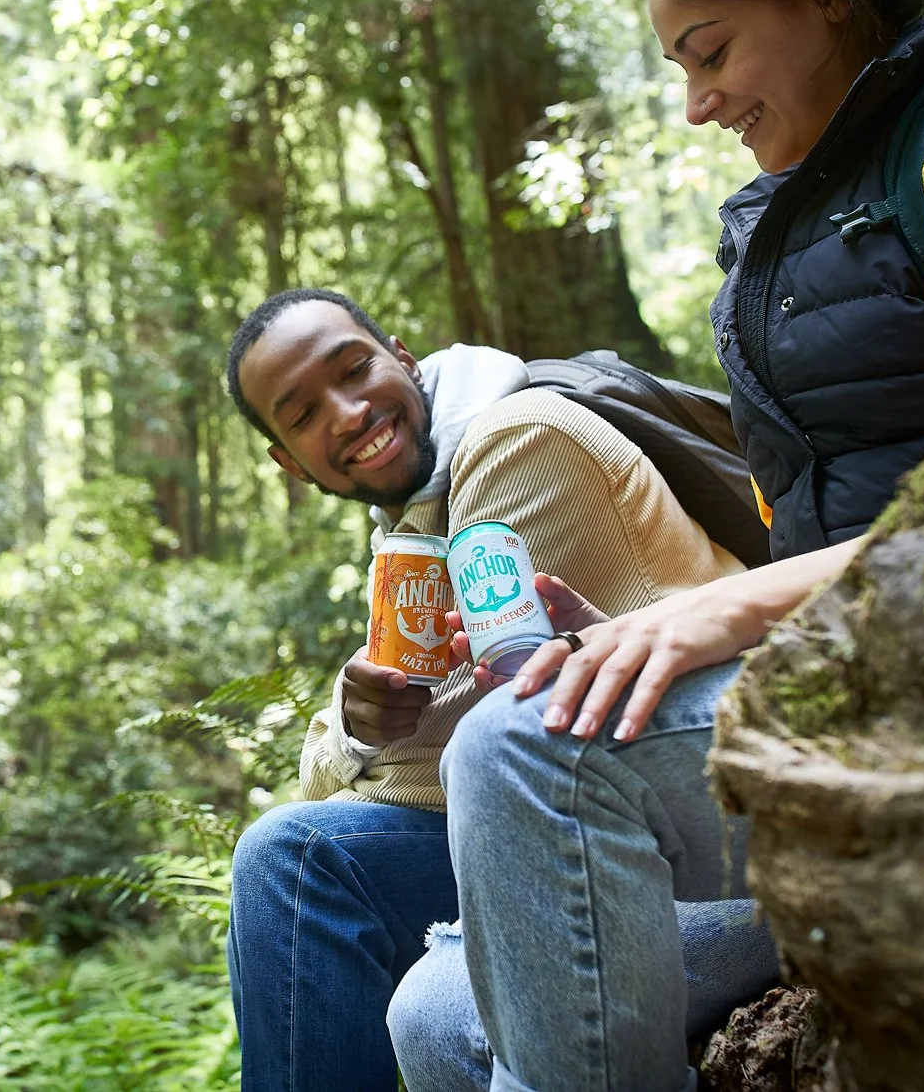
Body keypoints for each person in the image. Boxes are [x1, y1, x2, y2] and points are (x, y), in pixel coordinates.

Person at [389, 0, 924, 1092]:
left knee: (515, 750)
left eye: (707, 53)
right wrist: (635, 623)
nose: (693, 102)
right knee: (434, 1011)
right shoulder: (776, 227)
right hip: (848, 703)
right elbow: (817, 548)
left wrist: (727, 605)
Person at [221, 288, 765, 1092]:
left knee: (427, 998)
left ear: (404, 356)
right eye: (301, 414)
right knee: (291, 858)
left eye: (355, 368)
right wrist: (365, 728)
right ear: (286, 460)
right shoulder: (420, 515)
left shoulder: (519, 439)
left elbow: (463, 730)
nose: (344, 413)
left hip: (697, 827)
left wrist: (353, 734)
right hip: (570, 824)